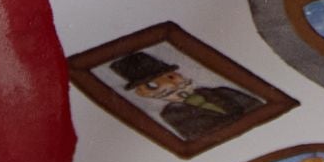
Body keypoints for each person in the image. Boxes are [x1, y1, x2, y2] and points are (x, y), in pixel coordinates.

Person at [108, 51, 263, 142]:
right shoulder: (173, 114)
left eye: (171, 77)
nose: (170, 85)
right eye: (153, 85)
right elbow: (200, 135)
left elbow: (257, 108)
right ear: (143, 93)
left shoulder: (222, 91)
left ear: (179, 75)